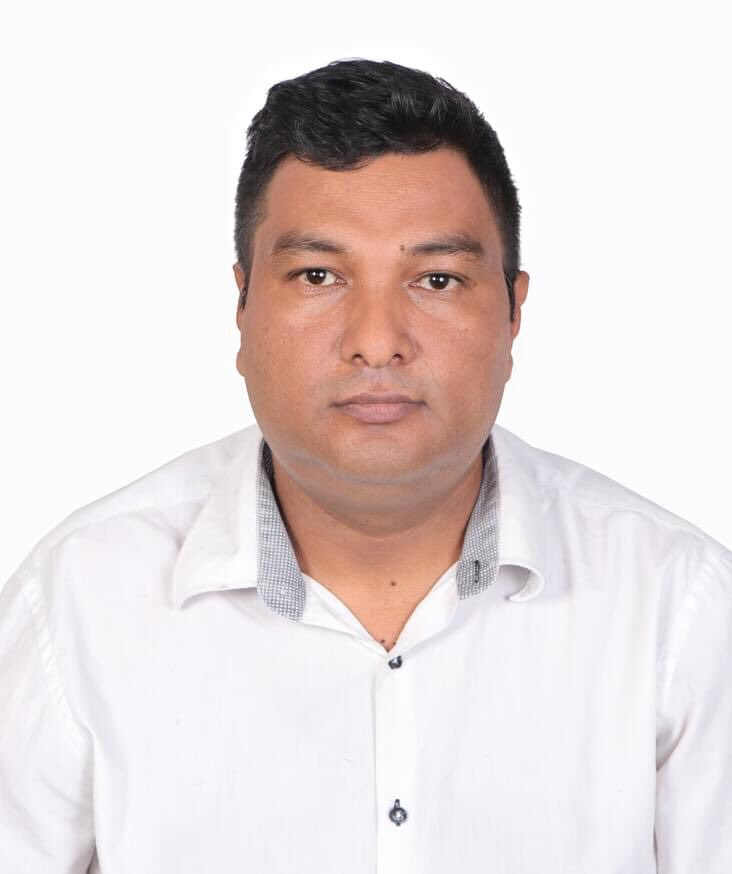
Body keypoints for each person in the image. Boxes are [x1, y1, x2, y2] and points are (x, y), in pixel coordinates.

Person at [1, 57, 730, 874]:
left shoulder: (679, 610)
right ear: (242, 306)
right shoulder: (79, 602)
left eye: (437, 279)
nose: (377, 341)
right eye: (318, 275)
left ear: (514, 312)